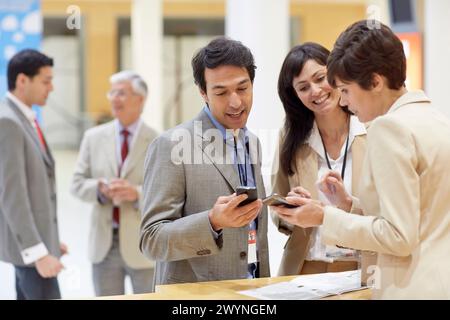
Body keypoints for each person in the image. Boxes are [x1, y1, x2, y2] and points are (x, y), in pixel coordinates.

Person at [271, 20, 450, 299]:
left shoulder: (388, 128)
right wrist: (349, 205)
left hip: (409, 287)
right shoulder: (436, 119)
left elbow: (398, 236)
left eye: (345, 89)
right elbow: (419, 215)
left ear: (376, 82)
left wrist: (324, 215)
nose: (343, 101)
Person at [140, 37, 270, 289]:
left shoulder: (252, 142)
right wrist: (212, 222)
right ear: (203, 93)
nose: (235, 102)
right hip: (196, 294)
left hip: (253, 289)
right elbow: (151, 239)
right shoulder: (171, 144)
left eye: (242, 88)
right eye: (221, 92)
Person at [271, 42, 376, 280]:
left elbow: (387, 214)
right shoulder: (289, 139)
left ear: (336, 74)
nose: (316, 91)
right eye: (303, 87)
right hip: (306, 268)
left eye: (320, 78)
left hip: (363, 267)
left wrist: (348, 206)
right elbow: (277, 210)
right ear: (295, 95)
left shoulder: (373, 133)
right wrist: (293, 209)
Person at [70, 71, 158, 296]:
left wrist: (136, 193)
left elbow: (166, 192)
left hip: (143, 245)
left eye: (121, 93)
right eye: (112, 93)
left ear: (140, 99)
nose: (113, 99)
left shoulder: (158, 140)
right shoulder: (93, 137)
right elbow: (77, 183)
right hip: (104, 246)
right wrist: (99, 189)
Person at [0, 49, 67, 299]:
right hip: (31, 255)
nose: (51, 88)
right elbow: (12, 195)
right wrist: (38, 252)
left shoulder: (25, 117)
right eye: (46, 81)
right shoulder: (8, 122)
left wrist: (50, 238)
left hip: (36, 245)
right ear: (22, 81)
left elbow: (37, 189)